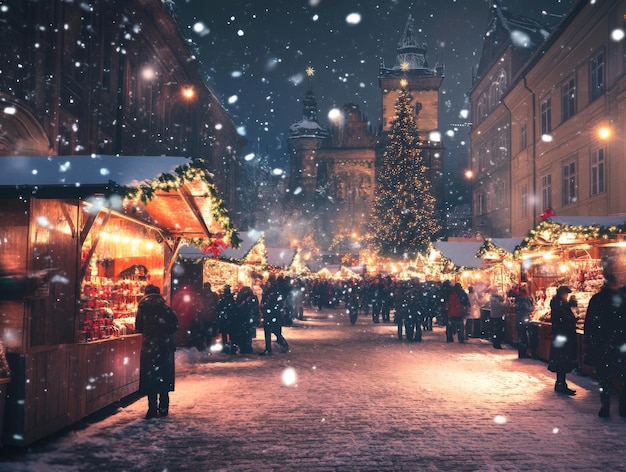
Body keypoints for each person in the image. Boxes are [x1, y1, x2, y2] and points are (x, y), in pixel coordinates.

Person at [584, 275, 626, 416]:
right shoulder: (620, 300)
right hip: (616, 344)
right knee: (618, 375)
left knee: (605, 378)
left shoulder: (597, 300)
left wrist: (591, 342)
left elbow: (589, 324)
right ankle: (618, 405)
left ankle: (607, 404)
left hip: (604, 345)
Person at [135, 284, 178, 419]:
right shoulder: (166, 309)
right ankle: (164, 407)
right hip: (164, 346)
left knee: (150, 377)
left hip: (149, 347)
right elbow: (175, 325)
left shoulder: (143, 309)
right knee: (164, 376)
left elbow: (138, 327)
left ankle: (152, 408)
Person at [548, 286, 578, 395]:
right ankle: (561, 384)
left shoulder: (558, 303)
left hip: (560, 335)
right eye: (566, 294)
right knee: (563, 358)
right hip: (563, 335)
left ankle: (561, 383)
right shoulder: (560, 304)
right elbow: (565, 318)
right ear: (562, 294)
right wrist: (573, 318)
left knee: (561, 359)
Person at [259, 280, 289, 355]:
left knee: (273, 331)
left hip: (272, 315)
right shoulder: (269, 292)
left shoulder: (273, 293)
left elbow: (273, 304)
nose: (266, 284)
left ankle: (281, 344)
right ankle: (269, 348)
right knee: (269, 332)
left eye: (268, 283)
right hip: (270, 315)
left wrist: (265, 306)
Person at [191, 282, 219, 351]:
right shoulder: (211, 296)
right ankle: (206, 347)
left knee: (205, 333)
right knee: (205, 333)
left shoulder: (203, 296)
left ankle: (205, 347)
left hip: (206, 317)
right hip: (206, 317)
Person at [235, 286, 260, 354]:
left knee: (244, 334)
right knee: (248, 334)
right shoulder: (253, 298)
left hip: (243, 318)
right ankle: (247, 347)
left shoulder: (241, 297)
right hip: (249, 318)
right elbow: (256, 308)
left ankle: (244, 347)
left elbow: (237, 307)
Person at [512, 287, 534, 358]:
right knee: (524, 336)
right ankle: (523, 353)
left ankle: (521, 352)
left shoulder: (518, 299)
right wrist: (532, 306)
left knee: (521, 336)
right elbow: (528, 308)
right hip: (524, 319)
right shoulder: (524, 300)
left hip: (519, 319)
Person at [218, 285, 238, 354]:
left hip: (226, 319)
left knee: (225, 334)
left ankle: (226, 347)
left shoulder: (224, 299)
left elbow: (219, 308)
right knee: (232, 334)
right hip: (231, 319)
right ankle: (232, 348)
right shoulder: (231, 299)